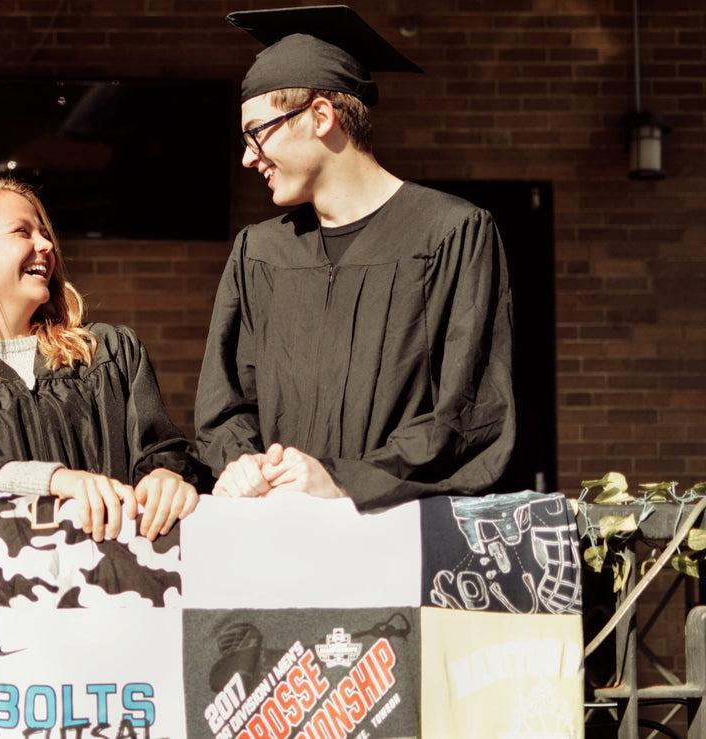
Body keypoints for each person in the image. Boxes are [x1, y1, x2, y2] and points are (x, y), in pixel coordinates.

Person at [0, 177, 206, 736]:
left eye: (46, 232)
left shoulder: (108, 356)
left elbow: (159, 449)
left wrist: (169, 476)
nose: (46, 244)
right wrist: (52, 481)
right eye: (22, 231)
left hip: (118, 658)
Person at [196, 5, 516, 510]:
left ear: (321, 116)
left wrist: (343, 480)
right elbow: (227, 402)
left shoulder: (449, 233)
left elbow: (467, 410)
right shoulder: (259, 253)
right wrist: (242, 462)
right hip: (275, 529)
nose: (248, 155)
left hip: (395, 532)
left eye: (256, 132)